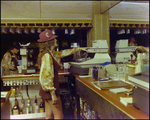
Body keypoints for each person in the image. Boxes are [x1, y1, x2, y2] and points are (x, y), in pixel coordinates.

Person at [36, 30, 86, 119]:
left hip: (45, 91)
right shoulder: (48, 56)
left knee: (48, 115)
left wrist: (79, 49)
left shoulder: (49, 53)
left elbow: (62, 53)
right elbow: (47, 75)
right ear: (49, 42)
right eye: (53, 39)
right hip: (50, 91)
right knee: (59, 116)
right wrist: (53, 93)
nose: (56, 40)